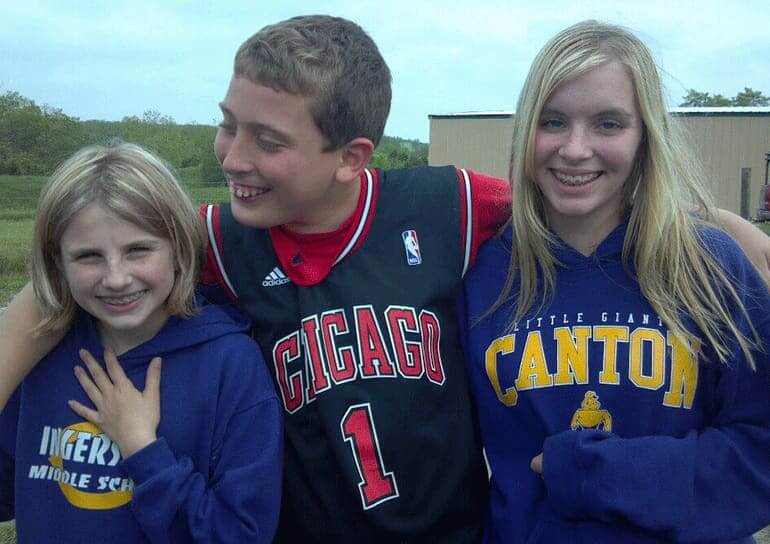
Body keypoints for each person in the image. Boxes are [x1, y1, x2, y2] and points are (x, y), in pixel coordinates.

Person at [0, 14, 769, 543]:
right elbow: (84, 269)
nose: (231, 156)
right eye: (227, 122)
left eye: (266, 139)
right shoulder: (215, 240)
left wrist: (728, 232)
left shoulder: (452, 209)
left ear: (352, 156)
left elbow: (595, 192)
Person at [461, 20, 770, 543]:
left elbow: (759, 449)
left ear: (645, 135)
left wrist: (601, 472)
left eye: (608, 124)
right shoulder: (482, 274)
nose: (575, 149)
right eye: (553, 121)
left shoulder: (710, 267)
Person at [0, 143, 282, 543]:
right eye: (88, 256)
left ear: (179, 249)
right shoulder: (39, 352)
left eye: (138, 250)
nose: (116, 278)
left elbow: (238, 533)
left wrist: (142, 449)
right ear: (57, 261)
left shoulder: (229, 364)